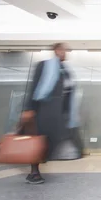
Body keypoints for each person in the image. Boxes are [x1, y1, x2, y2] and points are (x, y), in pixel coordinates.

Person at [21, 43, 79, 184]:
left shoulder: (66, 71)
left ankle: (38, 164)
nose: (64, 52)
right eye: (61, 50)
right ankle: (34, 172)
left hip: (59, 112)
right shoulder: (44, 65)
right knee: (39, 141)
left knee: (51, 141)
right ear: (55, 51)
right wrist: (29, 108)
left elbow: (69, 93)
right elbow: (34, 87)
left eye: (65, 50)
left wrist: (68, 114)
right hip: (44, 109)